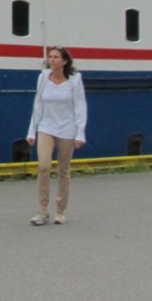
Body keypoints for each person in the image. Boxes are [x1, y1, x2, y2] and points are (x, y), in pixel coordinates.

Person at [25, 46, 87, 226]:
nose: (51, 60)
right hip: (46, 127)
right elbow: (37, 104)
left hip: (67, 129)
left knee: (63, 170)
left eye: (56, 57)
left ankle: (60, 210)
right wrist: (32, 131)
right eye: (50, 57)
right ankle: (42, 211)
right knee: (43, 166)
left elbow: (80, 107)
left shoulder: (75, 81)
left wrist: (80, 133)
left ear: (64, 61)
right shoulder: (43, 78)